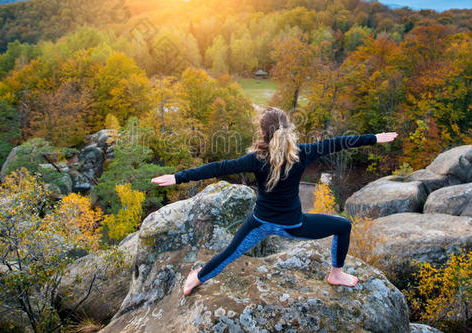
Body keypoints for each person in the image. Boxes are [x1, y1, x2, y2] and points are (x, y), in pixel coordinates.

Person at [151, 107, 398, 296]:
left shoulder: (255, 159)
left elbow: (218, 167)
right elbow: (339, 143)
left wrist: (177, 177)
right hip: (294, 226)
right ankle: (336, 274)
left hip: (259, 223)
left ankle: (196, 278)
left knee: (228, 254)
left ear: (261, 133)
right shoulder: (304, 152)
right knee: (342, 226)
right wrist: (375, 138)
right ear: (288, 129)